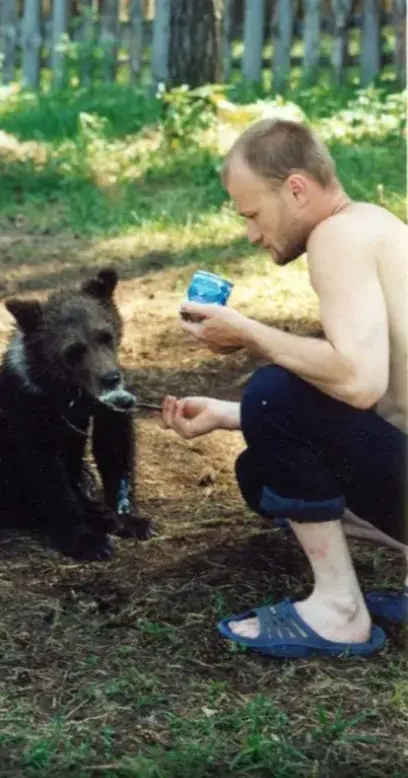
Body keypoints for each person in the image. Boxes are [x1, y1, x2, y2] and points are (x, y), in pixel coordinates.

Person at [161, 118, 408, 659]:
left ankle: (340, 613)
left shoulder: (336, 237)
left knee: (274, 391)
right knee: (260, 469)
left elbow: (358, 382)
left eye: (252, 213)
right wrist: (231, 414)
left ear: (296, 188)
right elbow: (382, 399)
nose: (251, 233)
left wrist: (248, 333)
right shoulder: (374, 226)